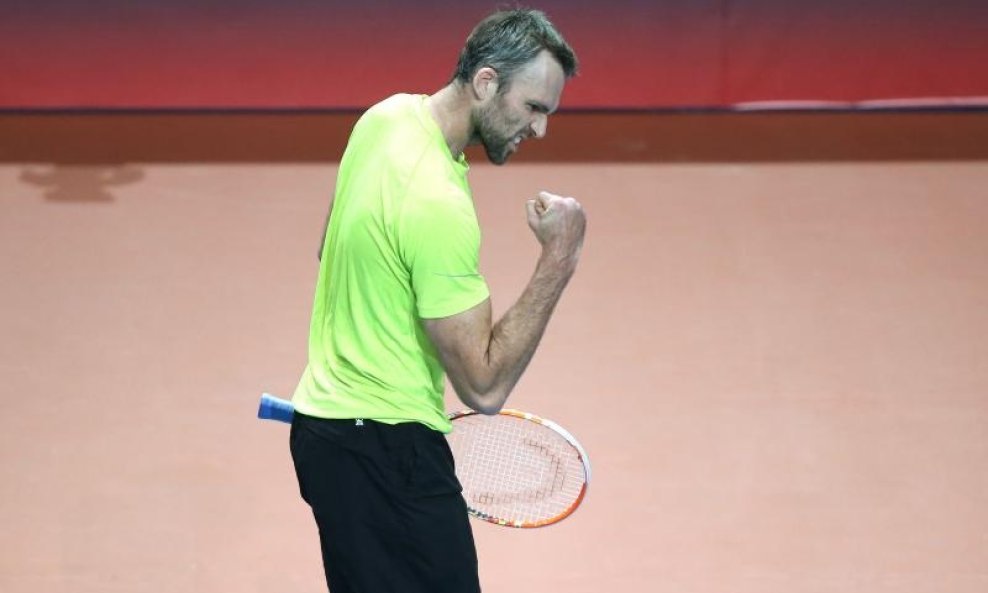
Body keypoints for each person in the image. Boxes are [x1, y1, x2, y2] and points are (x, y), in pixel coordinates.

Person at [289, 8, 583, 593]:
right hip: (387, 451)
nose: (540, 130)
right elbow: (484, 387)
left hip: (325, 433)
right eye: (533, 107)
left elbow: (331, 248)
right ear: (486, 82)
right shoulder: (438, 204)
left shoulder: (386, 117)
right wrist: (560, 257)